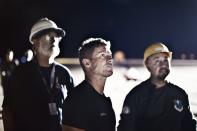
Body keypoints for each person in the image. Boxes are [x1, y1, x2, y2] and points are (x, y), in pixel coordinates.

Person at [2, 18, 75, 131]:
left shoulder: (64, 74)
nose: (53, 40)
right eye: (48, 35)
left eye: (56, 36)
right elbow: (7, 111)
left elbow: (73, 113)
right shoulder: (20, 74)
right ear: (35, 41)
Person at [117, 43, 196, 131]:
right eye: (157, 61)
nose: (162, 64)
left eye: (165, 60)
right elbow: (125, 127)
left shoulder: (179, 94)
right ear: (147, 64)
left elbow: (189, 125)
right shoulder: (135, 95)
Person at [62, 38, 116, 131]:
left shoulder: (104, 100)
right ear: (87, 63)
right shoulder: (77, 100)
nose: (109, 59)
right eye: (102, 55)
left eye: (109, 54)